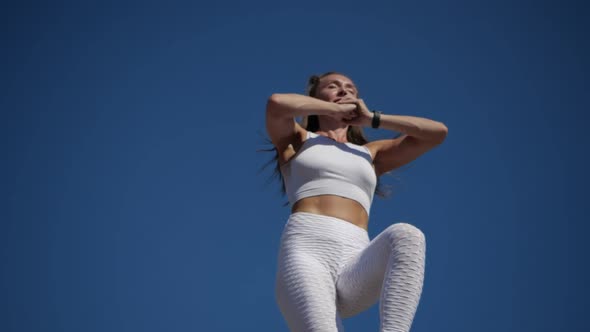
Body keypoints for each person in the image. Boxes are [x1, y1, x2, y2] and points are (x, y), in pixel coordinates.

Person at [266, 72, 448, 332]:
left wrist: (372, 118)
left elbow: (437, 133)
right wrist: (333, 109)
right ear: (316, 99)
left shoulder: (371, 154)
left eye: (351, 88)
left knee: (407, 235)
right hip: (307, 253)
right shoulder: (298, 139)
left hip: (356, 262)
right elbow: (276, 104)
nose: (344, 91)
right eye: (333, 86)